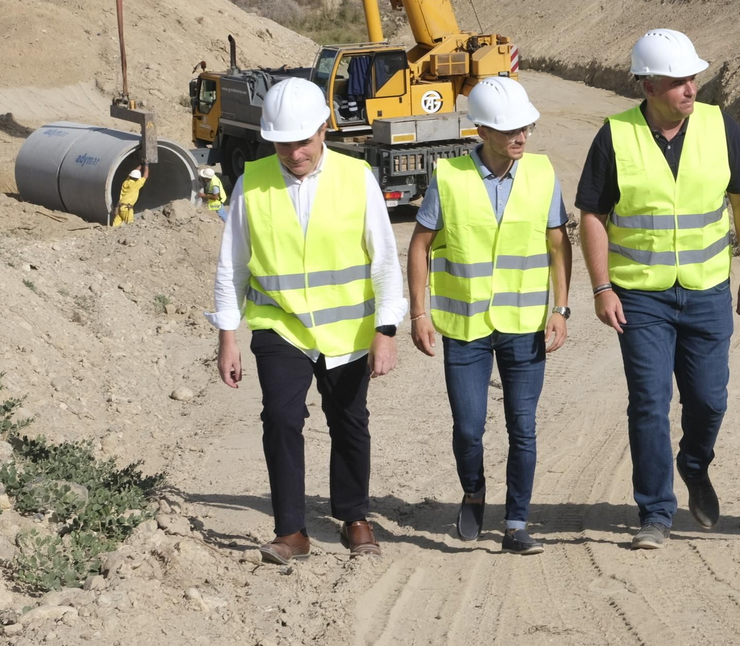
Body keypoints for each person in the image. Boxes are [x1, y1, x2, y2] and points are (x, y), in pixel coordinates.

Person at [576, 29, 740, 550]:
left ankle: (695, 462)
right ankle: (655, 512)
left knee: (710, 400)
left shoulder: (720, 126)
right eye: (678, 80)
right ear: (647, 85)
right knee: (650, 403)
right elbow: (592, 213)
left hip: (706, 290)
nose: (691, 87)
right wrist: (601, 287)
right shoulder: (615, 136)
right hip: (641, 296)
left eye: (693, 77)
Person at [209, 77, 405, 562]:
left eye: (302, 140)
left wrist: (386, 330)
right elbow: (231, 266)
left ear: (323, 129)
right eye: (282, 142)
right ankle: (291, 532)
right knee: (279, 417)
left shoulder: (357, 177)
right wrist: (227, 336)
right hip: (281, 327)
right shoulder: (251, 183)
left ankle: (354, 516)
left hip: (348, 332)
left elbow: (384, 260)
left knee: (349, 421)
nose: (293, 151)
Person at [406, 78, 572, 557]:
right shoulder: (450, 177)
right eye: (507, 129)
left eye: (525, 127)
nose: (520, 137)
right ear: (480, 129)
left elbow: (559, 243)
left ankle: (517, 522)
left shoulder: (542, 174)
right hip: (465, 329)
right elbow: (420, 246)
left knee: (523, 427)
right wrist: (419, 311)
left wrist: (560, 308)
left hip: (523, 327)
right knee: (468, 427)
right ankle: (474, 490)